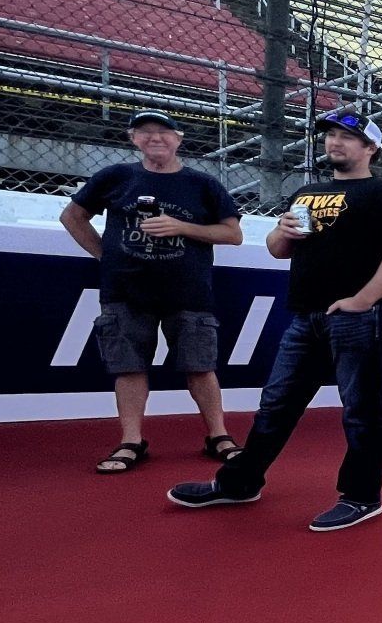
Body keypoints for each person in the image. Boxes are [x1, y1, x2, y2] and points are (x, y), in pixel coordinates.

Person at [168, 113, 382, 531]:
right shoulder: (307, 192)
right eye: (332, 136)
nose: (336, 143)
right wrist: (283, 231)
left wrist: (363, 299)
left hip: (362, 317)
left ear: (370, 148)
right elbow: (276, 250)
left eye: (348, 138)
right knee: (276, 406)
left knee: (361, 411)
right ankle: (241, 483)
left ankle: (361, 496)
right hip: (306, 315)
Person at [60, 109, 244, 473]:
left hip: (189, 290)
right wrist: (104, 255)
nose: (155, 137)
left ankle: (218, 435)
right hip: (125, 289)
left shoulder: (203, 184)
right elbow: (72, 217)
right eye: (145, 131)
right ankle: (131, 441)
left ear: (179, 139)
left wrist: (181, 226)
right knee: (128, 367)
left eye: (164, 131)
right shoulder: (116, 176)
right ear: (133, 138)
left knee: (200, 366)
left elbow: (232, 234)